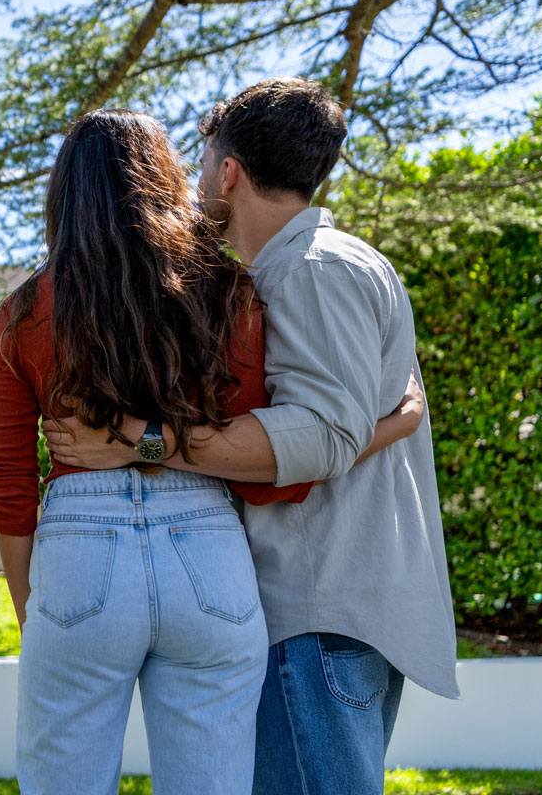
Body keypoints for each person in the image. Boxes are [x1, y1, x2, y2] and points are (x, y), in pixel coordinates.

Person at [41, 79, 460, 795]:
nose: (195, 182)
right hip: (335, 621)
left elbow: (320, 435)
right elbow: (348, 423)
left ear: (229, 171)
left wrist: (140, 444)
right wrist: (398, 421)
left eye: (204, 164)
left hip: (317, 619)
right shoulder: (319, 266)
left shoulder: (310, 271)